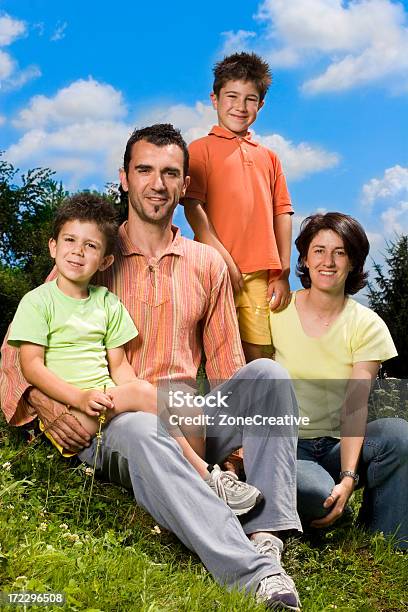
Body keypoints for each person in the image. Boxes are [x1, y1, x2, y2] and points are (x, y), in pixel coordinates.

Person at [1, 124, 302, 610]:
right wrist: (46, 404)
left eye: (170, 173)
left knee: (267, 376)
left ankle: (265, 534)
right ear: (124, 177)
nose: (157, 184)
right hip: (117, 419)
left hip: (187, 414)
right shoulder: (91, 253)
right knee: (143, 430)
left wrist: (242, 446)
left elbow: (226, 364)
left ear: (184, 187)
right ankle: (254, 572)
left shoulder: (206, 263)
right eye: (144, 170)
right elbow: (16, 353)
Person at [6, 193, 262, 516]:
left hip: (104, 401)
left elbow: (120, 366)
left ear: (105, 261)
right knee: (149, 399)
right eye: (70, 240)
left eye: (91, 246)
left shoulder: (106, 303)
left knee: (188, 412)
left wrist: (147, 400)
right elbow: (30, 367)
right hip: (74, 411)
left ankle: (199, 491)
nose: (78, 251)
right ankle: (207, 478)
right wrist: (79, 397)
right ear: (53, 246)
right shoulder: (37, 301)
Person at [269, 212, 408, 549]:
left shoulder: (367, 324)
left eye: (340, 252)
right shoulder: (275, 311)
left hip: (336, 446)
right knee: (318, 494)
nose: (327, 261)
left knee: (399, 436)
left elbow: (355, 404)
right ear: (303, 258)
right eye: (318, 251)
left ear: (352, 262)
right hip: (288, 446)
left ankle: (384, 541)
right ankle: (303, 520)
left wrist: (348, 477)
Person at [183, 52, 293, 362]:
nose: (240, 106)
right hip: (211, 269)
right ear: (214, 98)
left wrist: (281, 270)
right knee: (216, 354)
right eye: (231, 96)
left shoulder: (269, 157)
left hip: (259, 272)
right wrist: (222, 256)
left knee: (258, 354)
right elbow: (194, 208)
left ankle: (259, 411)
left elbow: (282, 212)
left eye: (250, 99)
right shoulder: (199, 149)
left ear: (261, 105)